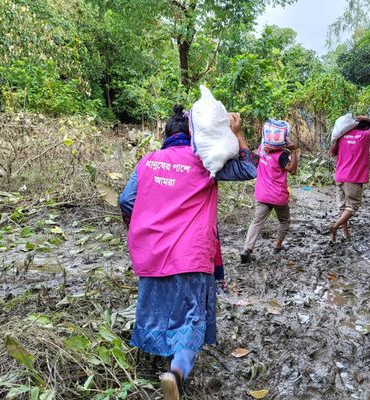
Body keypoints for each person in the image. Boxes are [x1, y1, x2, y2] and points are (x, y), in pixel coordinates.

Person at [118, 105, 258, 400]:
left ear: (166, 135)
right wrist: (238, 132)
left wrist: (142, 228)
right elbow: (250, 168)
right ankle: (177, 371)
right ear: (194, 135)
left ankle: (160, 357)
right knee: (191, 317)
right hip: (191, 255)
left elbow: (126, 200)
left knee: (158, 309)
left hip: (153, 252)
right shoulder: (206, 162)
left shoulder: (148, 161)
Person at [240, 120, 298, 263]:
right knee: (284, 221)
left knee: (257, 222)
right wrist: (294, 151)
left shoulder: (261, 149)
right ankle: (277, 245)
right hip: (278, 196)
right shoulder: (282, 155)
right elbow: (292, 170)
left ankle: (247, 249)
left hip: (262, 194)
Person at [329, 116, 370, 242]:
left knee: (343, 208)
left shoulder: (342, 136)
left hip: (339, 175)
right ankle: (334, 227)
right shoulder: (365, 135)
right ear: (366, 126)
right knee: (353, 206)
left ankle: (346, 233)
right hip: (354, 177)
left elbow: (332, 153)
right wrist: (368, 119)